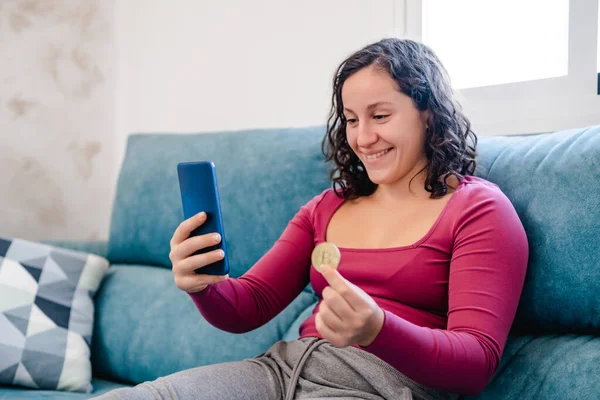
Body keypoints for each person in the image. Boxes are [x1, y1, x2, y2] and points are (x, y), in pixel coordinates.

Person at [94, 38, 529, 400]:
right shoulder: (327, 207)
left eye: (380, 116)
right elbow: (249, 306)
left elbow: (476, 362)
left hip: (379, 388)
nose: (363, 137)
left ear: (428, 112)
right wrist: (204, 287)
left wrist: (378, 328)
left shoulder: (478, 211)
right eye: (352, 119)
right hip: (278, 371)